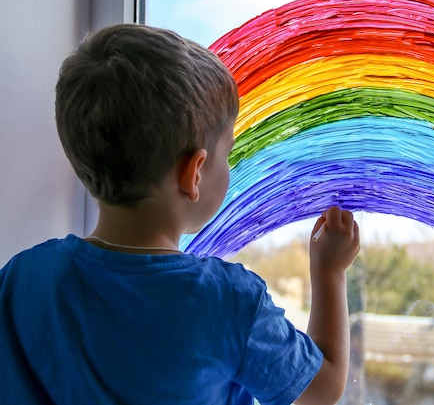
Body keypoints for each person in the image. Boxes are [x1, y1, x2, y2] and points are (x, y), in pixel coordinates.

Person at [0, 24, 360, 405]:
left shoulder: (22, 279)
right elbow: (322, 389)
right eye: (228, 152)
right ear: (195, 173)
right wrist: (329, 272)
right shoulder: (229, 302)